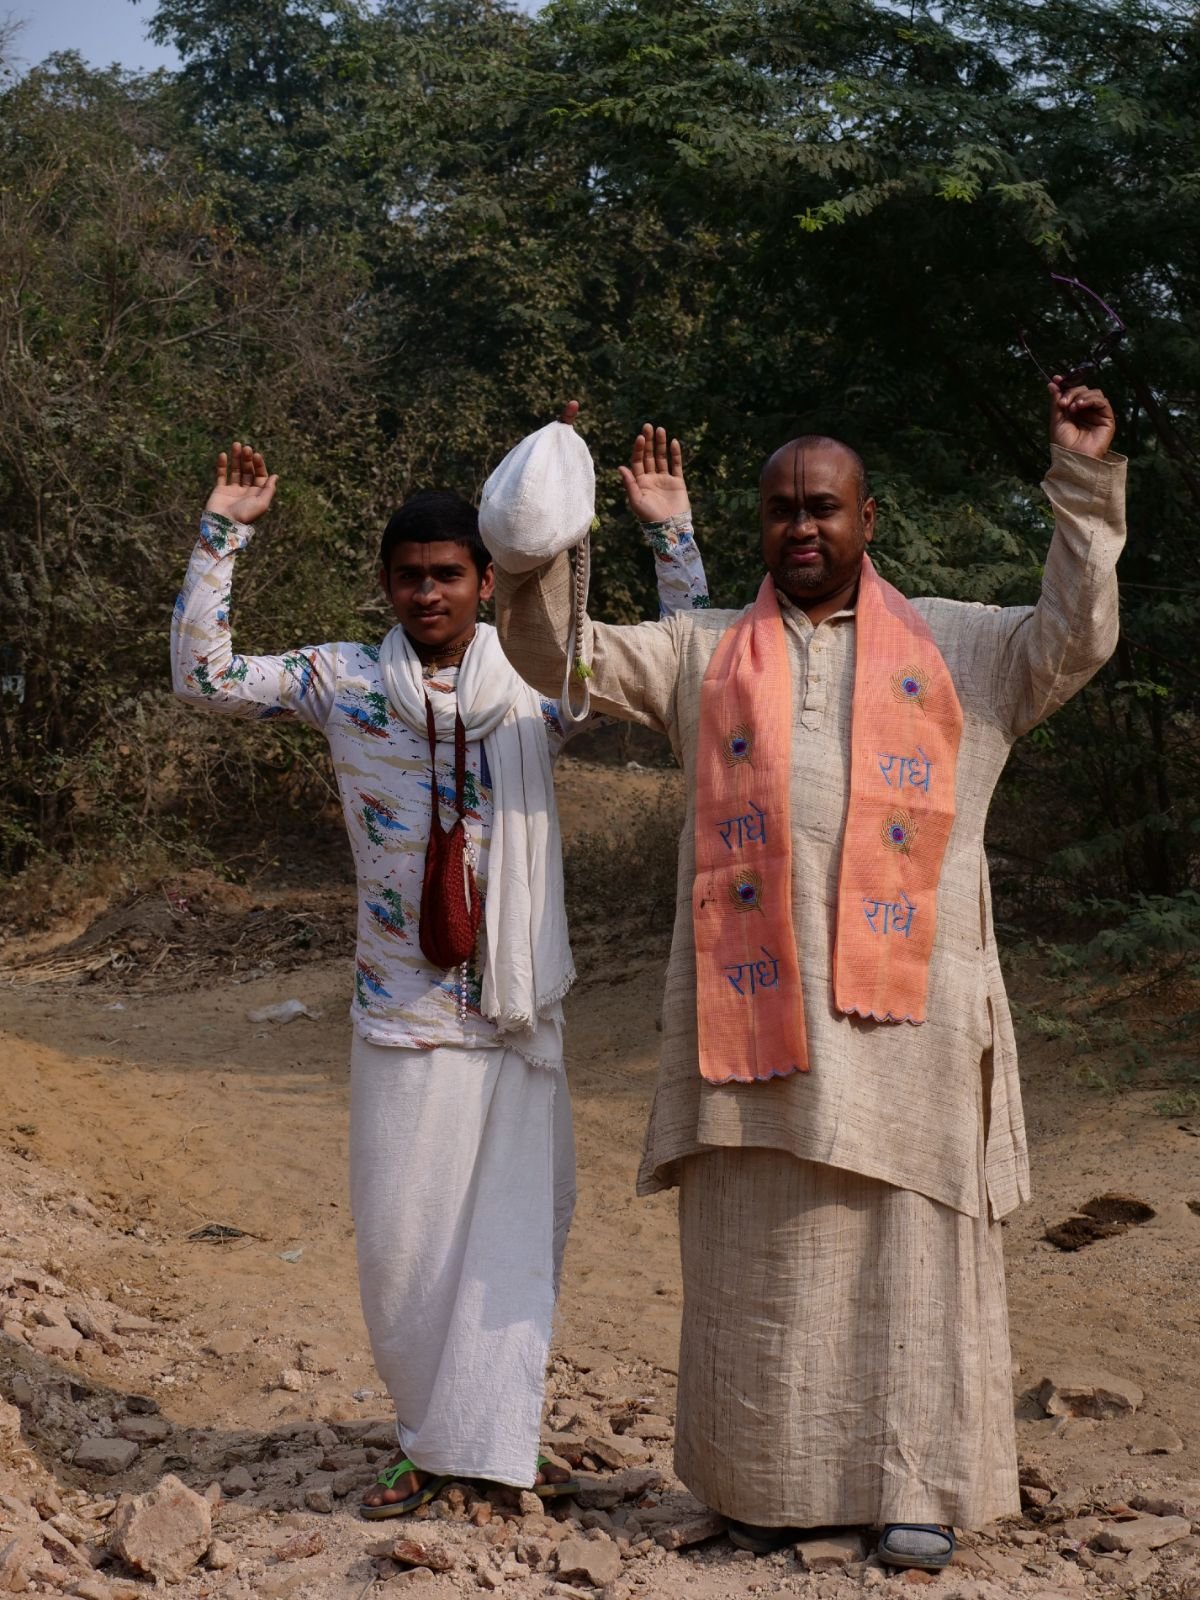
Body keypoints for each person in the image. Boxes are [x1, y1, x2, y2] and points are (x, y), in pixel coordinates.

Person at [484, 383, 1124, 1565]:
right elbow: (551, 653)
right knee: (757, 1259)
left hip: (912, 1036)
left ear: (868, 518)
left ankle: (915, 1487)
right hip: (752, 1032)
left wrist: (1083, 481)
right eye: (780, 510)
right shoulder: (698, 650)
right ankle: (754, 1483)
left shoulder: (963, 646)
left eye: (823, 507)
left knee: (908, 1262)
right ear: (759, 523)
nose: (801, 528)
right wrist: (545, 517)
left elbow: (1074, 637)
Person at [170, 435, 708, 1517]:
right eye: (410, 574)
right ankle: (432, 1432)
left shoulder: (539, 683)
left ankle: (490, 1441)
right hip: (401, 1011)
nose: (428, 592)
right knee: (406, 1252)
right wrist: (223, 530)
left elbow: (678, 663)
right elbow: (205, 675)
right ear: (387, 582)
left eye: (449, 574)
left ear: (486, 581)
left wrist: (669, 532)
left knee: (513, 1238)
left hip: (515, 1018)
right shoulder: (344, 682)